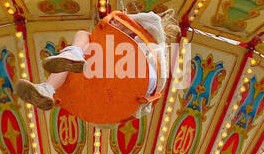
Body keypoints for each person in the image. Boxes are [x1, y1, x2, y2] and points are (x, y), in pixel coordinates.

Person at [13, 10, 179, 119]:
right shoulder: (148, 49)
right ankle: (47, 89)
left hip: (136, 77)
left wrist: (121, 19)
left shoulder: (149, 45)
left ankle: (73, 53)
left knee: (84, 35)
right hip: (125, 91)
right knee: (76, 66)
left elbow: (150, 19)